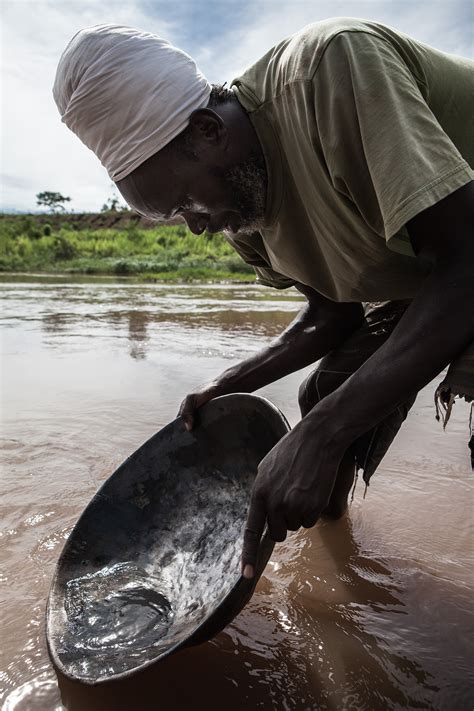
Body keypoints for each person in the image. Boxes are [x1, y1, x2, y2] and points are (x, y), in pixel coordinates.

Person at [54, 19, 473, 581]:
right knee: (321, 395)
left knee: (327, 425)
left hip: (464, 251)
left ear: (207, 130)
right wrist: (231, 382)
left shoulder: (332, 72)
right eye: (178, 216)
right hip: (427, 267)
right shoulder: (237, 202)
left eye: (186, 202)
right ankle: (334, 570)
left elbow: (467, 264)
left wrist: (322, 435)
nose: (197, 228)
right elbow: (331, 316)